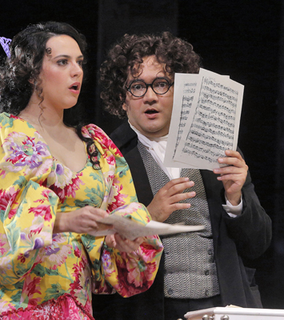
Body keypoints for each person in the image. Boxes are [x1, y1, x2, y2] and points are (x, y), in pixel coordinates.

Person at [0, 22, 163, 320]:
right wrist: (63, 221)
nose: (77, 71)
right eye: (62, 62)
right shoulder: (0, 134)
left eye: (79, 63)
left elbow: (123, 213)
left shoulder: (97, 143)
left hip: (75, 303)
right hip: (13, 306)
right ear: (31, 71)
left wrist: (123, 236)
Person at [92, 32, 272, 320]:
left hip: (222, 306)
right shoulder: (106, 157)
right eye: (137, 86)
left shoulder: (216, 146)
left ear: (181, 92)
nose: (150, 96)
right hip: (148, 309)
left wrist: (235, 199)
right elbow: (94, 254)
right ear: (122, 98)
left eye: (161, 84)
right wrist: (147, 217)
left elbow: (258, 245)